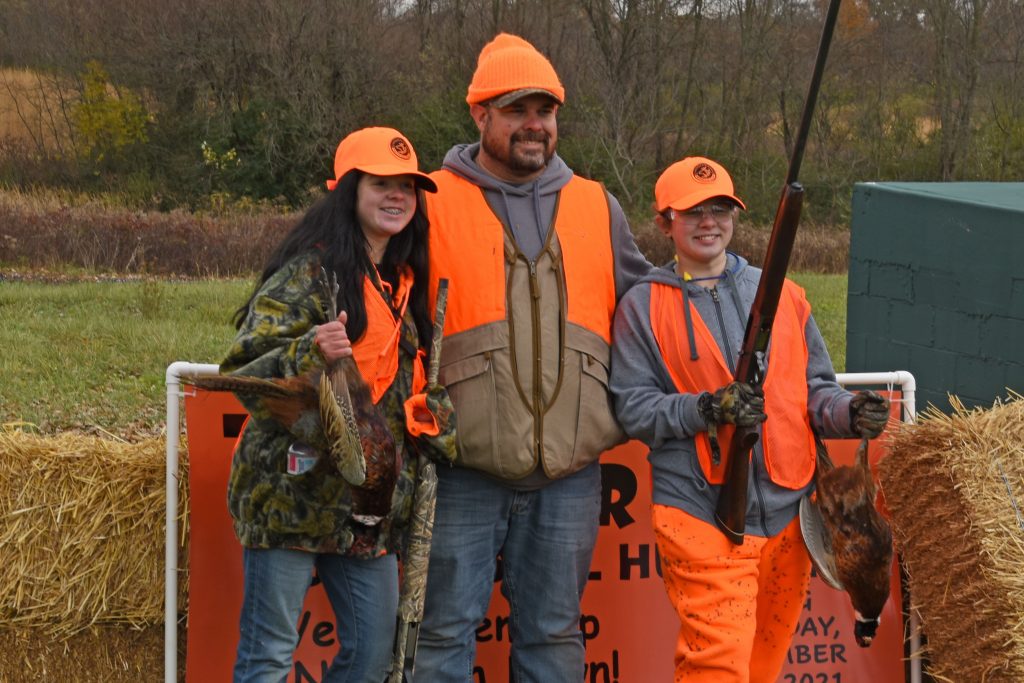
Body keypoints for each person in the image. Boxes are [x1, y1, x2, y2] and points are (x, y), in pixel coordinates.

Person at [413, 32, 651, 682]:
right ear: (479, 114)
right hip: (462, 468)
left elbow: (653, 314)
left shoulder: (598, 205)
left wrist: (731, 299)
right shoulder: (427, 203)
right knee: (440, 642)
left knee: (552, 643)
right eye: (516, 109)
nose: (534, 125)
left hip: (569, 474)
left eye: (544, 111)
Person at [608, 156, 891, 683]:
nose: (708, 222)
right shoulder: (642, 306)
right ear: (664, 222)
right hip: (701, 511)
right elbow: (631, 407)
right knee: (718, 665)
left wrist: (850, 413)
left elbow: (815, 394)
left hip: (789, 517)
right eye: (692, 212)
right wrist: (707, 409)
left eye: (720, 208)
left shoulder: (783, 293)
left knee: (762, 666)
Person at [220, 126, 451, 683]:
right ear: (348, 190)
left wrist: (430, 413)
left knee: (372, 656)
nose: (397, 196)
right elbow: (245, 370)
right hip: (293, 497)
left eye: (407, 187)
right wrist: (309, 350)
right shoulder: (309, 271)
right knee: (271, 655)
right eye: (381, 184)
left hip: (365, 511)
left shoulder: (405, 282)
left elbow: (398, 391)